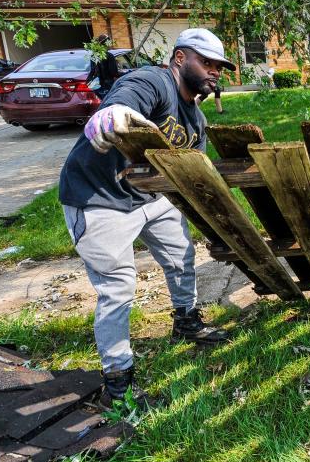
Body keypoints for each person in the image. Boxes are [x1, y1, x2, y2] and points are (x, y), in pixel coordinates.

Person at [58, 28, 233, 402]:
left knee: (181, 257)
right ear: (181, 58)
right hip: (98, 197)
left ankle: (186, 321)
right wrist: (113, 112)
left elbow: (191, 169)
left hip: (152, 198)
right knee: (118, 287)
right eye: (207, 62)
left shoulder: (196, 119)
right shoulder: (154, 80)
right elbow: (125, 98)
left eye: (219, 66)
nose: (214, 72)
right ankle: (118, 381)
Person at [87, 34, 119, 98]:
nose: (110, 44)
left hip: (96, 85)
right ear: (106, 43)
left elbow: (92, 70)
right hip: (108, 86)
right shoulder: (109, 56)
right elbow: (114, 73)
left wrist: (88, 81)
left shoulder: (94, 55)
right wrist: (126, 74)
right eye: (109, 42)